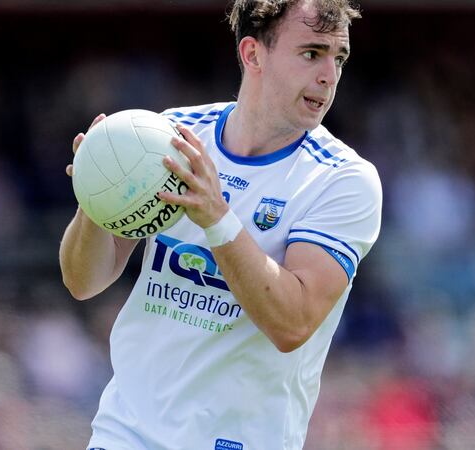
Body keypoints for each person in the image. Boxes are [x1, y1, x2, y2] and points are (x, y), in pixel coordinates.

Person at [59, 1, 382, 449]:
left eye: (339, 58)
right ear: (253, 54)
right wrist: (96, 196)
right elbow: (82, 282)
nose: (329, 75)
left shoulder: (341, 180)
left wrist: (217, 218)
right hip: (126, 434)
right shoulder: (171, 136)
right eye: (312, 53)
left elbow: (292, 324)